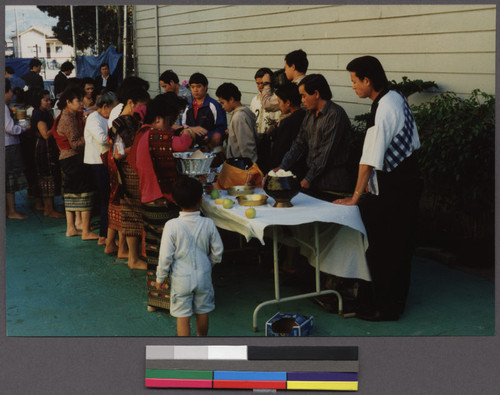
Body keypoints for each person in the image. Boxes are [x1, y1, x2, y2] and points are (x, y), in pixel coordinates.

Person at [334, 56, 421, 322]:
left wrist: (355, 197)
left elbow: (368, 161)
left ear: (367, 80)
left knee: (384, 249)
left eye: (354, 81)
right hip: (409, 180)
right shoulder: (395, 96)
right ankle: (392, 303)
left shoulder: (383, 108)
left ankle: (384, 309)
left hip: (395, 188)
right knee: (400, 248)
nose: (353, 87)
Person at [133, 92, 194, 312]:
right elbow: (182, 144)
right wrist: (188, 132)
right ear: (158, 119)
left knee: (155, 252)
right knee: (171, 252)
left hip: (148, 199)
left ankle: (156, 300)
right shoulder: (154, 135)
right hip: (160, 201)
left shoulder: (143, 133)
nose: (171, 126)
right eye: (171, 121)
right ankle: (172, 300)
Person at [155, 175, 223, 336]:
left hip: (180, 279)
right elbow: (218, 251)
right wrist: (209, 263)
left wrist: (160, 277)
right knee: (203, 312)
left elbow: (165, 257)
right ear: (201, 200)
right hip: (203, 276)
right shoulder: (208, 223)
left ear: (175, 201)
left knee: (183, 317)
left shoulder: (172, 226)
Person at [278, 74, 353, 201]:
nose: (302, 100)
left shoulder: (335, 115)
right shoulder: (309, 114)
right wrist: (281, 168)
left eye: (304, 95)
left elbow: (326, 153)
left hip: (333, 186)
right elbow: (299, 143)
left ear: (316, 94)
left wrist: (308, 178)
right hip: (315, 183)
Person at [108, 86, 150, 270]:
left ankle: (136, 256)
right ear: (131, 103)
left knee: (135, 214)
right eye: (141, 105)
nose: (143, 110)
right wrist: (141, 146)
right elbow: (117, 153)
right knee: (132, 214)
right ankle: (133, 259)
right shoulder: (120, 123)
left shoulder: (133, 121)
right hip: (128, 172)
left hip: (136, 172)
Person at [53, 87, 99, 240]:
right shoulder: (68, 119)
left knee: (71, 192)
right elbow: (76, 144)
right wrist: (91, 135)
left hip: (68, 159)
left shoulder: (71, 116)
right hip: (72, 158)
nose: (81, 103)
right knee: (84, 191)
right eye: (78, 100)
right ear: (68, 102)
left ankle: (71, 228)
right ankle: (85, 231)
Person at [84, 91, 119, 249]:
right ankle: (104, 235)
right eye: (112, 109)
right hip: (98, 161)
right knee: (106, 199)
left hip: (106, 161)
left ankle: (107, 235)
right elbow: (102, 139)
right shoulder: (93, 118)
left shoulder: (105, 118)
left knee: (109, 199)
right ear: (105, 107)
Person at [30, 89, 64, 218]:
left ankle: (49, 207)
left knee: (49, 176)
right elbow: (45, 134)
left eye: (49, 99)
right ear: (39, 102)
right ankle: (49, 209)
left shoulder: (43, 112)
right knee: (47, 176)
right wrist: (57, 123)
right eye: (46, 100)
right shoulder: (39, 114)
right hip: (44, 149)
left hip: (47, 148)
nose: (49, 102)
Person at [269, 82, 307, 179]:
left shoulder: (288, 122)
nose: (279, 105)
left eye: (280, 102)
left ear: (288, 102)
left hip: (286, 170)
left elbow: (279, 150)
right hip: (303, 167)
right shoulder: (306, 116)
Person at [181, 72, 227, 150]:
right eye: (192, 87)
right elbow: (182, 126)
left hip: (209, 143)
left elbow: (222, 128)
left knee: (217, 136)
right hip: (192, 143)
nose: (195, 90)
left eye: (198, 86)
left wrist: (209, 135)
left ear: (205, 87)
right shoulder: (188, 107)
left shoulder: (214, 105)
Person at [5, 78, 30, 219]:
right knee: (10, 179)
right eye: (10, 92)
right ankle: (12, 211)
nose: (12, 95)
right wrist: (23, 128)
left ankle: (9, 210)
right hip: (9, 147)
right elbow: (9, 128)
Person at [216, 82, 258, 162]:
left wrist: (250, 167)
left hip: (241, 166)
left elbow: (246, 146)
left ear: (231, 99)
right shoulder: (241, 113)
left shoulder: (239, 117)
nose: (222, 106)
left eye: (223, 103)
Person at [250, 68, 281, 135]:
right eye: (258, 83)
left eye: (263, 83)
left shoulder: (276, 100)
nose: (260, 86)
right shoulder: (254, 100)